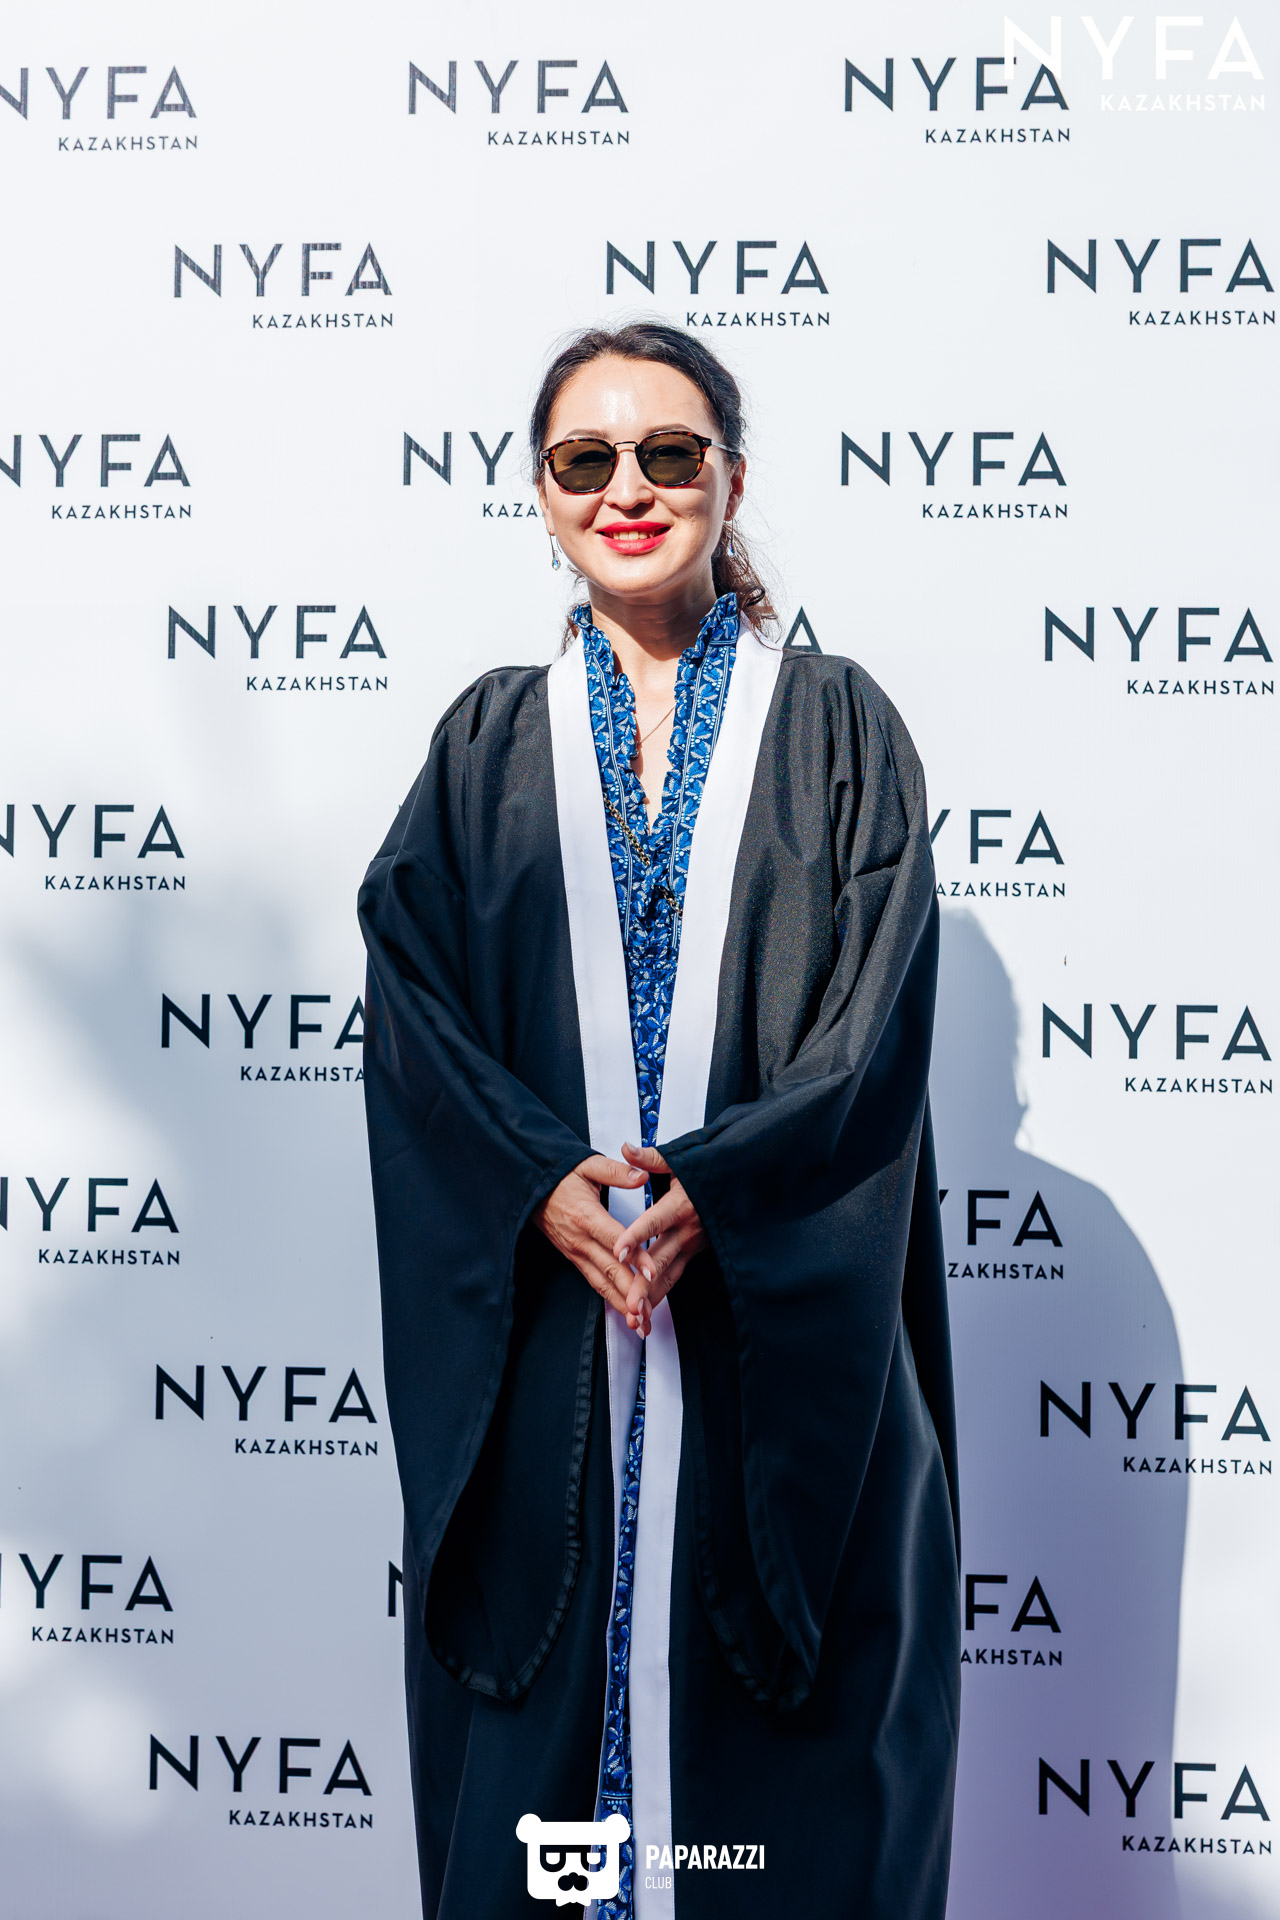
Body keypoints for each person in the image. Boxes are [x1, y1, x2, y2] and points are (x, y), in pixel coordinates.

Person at [359, 320, 960, 1920]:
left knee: (795, 1820)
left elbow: (870, 1027)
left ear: (730, 482)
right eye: (587, 459)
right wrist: (537, 1181)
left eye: (669, 454)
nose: (628, 489)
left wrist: (722, 1191)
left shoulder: (836, 725)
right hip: (557, 1353)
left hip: (774, 1356)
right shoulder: (487, 744)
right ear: (544, 495)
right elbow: (412, 1002)